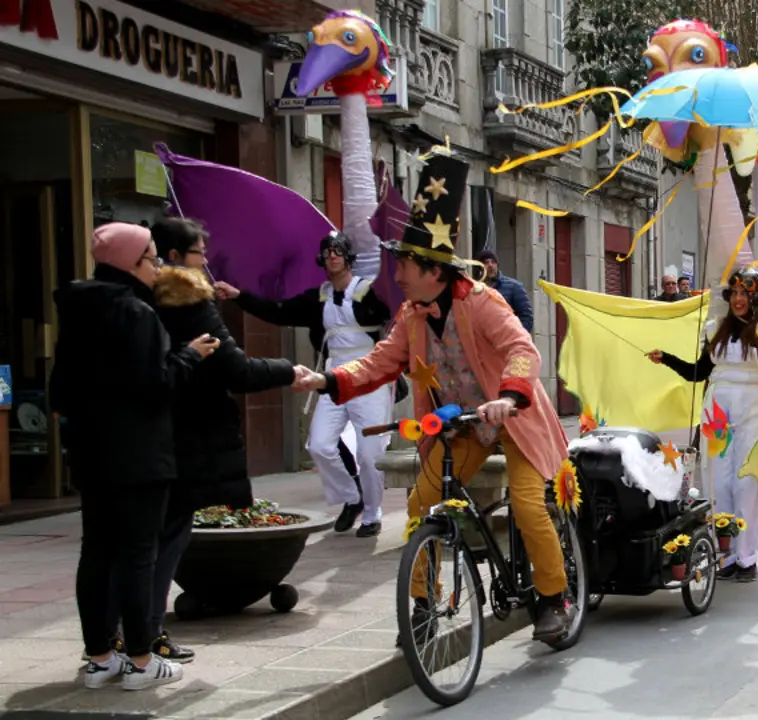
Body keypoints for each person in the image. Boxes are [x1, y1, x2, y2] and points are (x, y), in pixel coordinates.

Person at [294, 153, 573, 641]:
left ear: (435, 272)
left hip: (513, 420)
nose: (397, 273)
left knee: (528, 508)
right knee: (423, 502)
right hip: (462, 424)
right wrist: (324, 381)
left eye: (404, 264)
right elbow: (380, 361)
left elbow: (522, 350)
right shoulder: (413, 314)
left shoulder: (483, 303)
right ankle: (423, 607)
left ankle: (554, 599)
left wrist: (509, 397)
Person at [97, 218, 300, 665]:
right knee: (163, 541)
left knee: (119, 546)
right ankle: (146, 636)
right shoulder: (189, 303)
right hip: (183, 440)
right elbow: (236, 370)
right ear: (172, 258)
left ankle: (109, 639)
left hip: (125, 440)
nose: (205, 261)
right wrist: (290, 370)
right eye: (198, 253)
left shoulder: (123, 303)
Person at [51, 222, 219, 690]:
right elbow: (156, 384)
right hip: (140, 456)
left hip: (92, 454)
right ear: (130, 263)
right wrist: (189, 356)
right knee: (138, 556)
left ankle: (100, 657)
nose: (156, 267)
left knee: (97, 553)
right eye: (150, 258)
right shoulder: (136, 313)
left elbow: (59, 391)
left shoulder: (79, 310)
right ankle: (142, 662)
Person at [215, 231, 393, 536]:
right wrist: (238, 296)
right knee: (320, 444)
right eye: (327, 252)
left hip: (370, 373)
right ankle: (353, 498)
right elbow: (278, 311)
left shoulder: (371, 292)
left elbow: (398, 310)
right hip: (332, 373)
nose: (332, 256)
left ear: (349, 257)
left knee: (369, 451)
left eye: (338, 251)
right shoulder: (317, 297)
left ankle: (372, 513)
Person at [647, 269, 758, 582]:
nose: (738, 300)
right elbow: (698, 372)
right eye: (734, 293)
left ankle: (747, 556)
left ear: (755, 298)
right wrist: (666, 358)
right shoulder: (717, 332)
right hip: (717, 411)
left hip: (755, 409)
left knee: (746, 482)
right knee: (718, 483)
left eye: (744, 294)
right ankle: (725, 555)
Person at [478, 249, 534, 334]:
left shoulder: (514, 286)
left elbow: (526, 317)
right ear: (480, 267)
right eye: (486, 262)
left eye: (493, 262)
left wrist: (516, 338)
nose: (490, 265)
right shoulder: (475, 288)